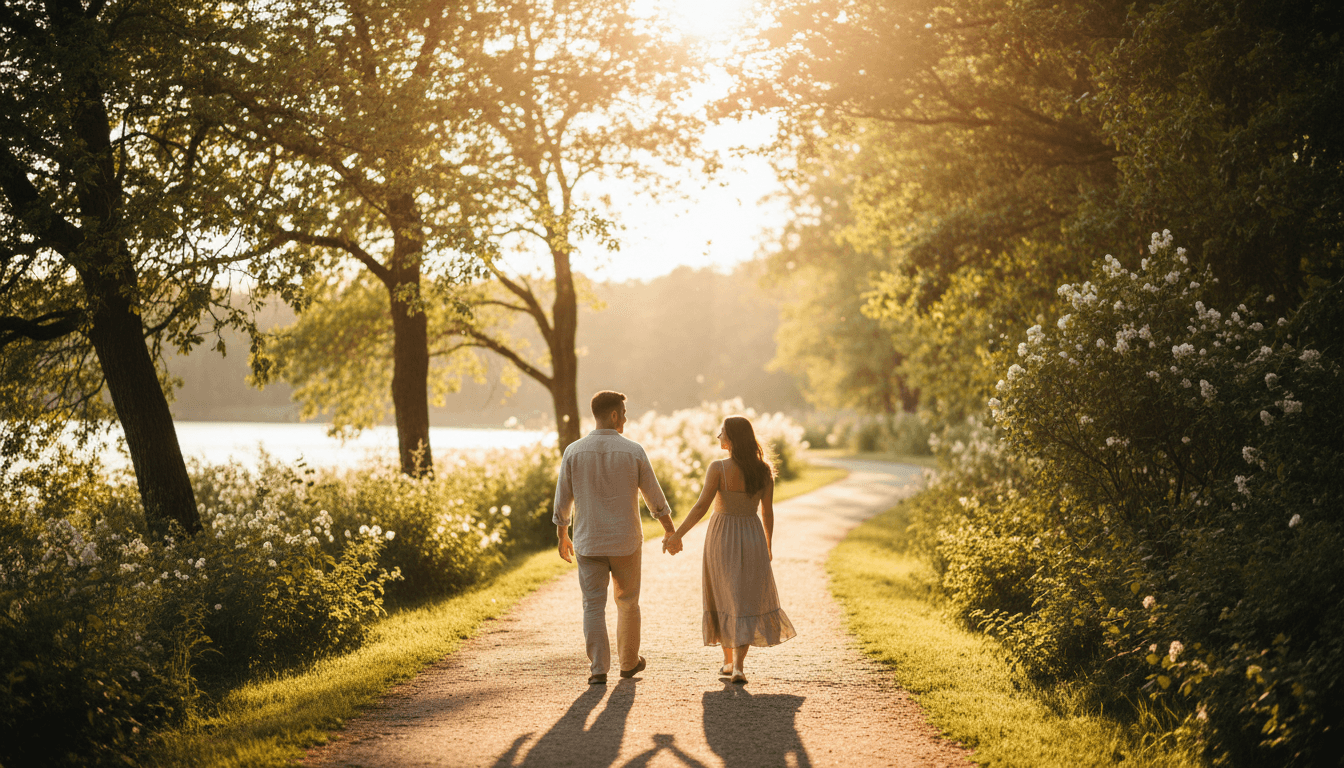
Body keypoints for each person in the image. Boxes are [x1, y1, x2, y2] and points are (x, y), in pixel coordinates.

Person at [553, 390, 678, 685]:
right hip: (625, 542)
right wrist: (669, 529)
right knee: (628, 602)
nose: (625, 418)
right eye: (623, 413)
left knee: (592, 605)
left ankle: (598, 669)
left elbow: (562, 500)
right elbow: (654, 496)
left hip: (588, 540)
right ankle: (629, 663)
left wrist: (562, 534)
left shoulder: (574, 451)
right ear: (612, 415)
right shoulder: (633, 451)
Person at [662, 415, 796, 683]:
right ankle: (736, 666)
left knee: (724, 596)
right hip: (752, 536)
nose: (718, 437)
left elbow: (701, 507)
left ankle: (729, 661)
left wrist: (677, 535)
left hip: (721, 537)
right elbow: (767, 512)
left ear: (733, 438)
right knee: (744, 598)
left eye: (721, 432)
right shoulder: (764, 470)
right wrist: (768, 544)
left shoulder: (718, 468)